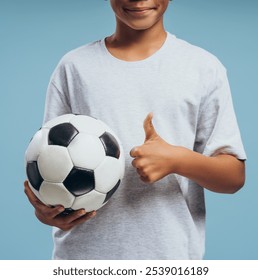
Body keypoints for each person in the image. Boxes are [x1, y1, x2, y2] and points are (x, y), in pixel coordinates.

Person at [24, 0, 246, 260]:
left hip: (168, 258)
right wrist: (47, 211)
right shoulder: (74, 67)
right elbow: (49, 160)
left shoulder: (203, 68)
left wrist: (177, 160)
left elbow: (233, 176)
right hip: (84, 259)